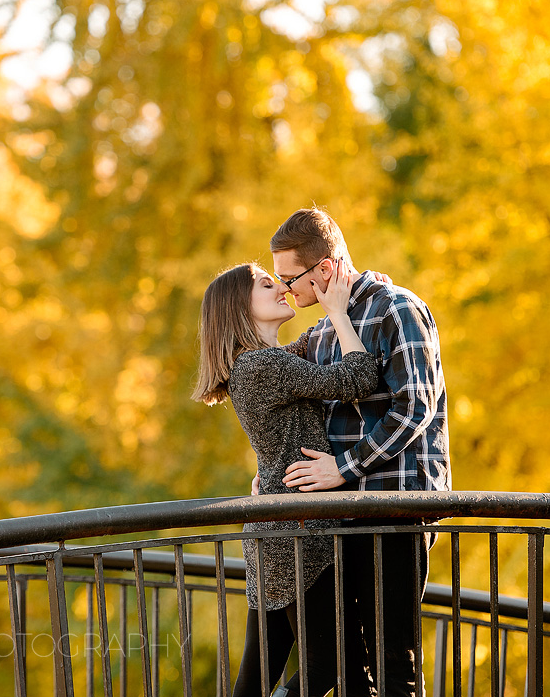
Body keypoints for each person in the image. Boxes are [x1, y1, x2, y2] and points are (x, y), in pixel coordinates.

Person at [273, 207, 451, 697]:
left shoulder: (397, 308)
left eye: (291, 279)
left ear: (324, 269)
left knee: (395, 665)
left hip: (395, 512)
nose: (286, 290)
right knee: (352, 671)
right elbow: (271, 378)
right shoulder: (326, 328)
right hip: (339, 515)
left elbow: (415, 409)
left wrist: (343, 469)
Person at [192, 260, 379, 696]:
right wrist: (337, 311)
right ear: (240, 308)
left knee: (259, 674)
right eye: (265, 284)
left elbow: (307, 347)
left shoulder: (261, 363)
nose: (280, 287)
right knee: (333, 664)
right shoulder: (261, 367)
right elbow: (358, 376)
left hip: (277, 529)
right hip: (297, 533)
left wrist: (360, 291)